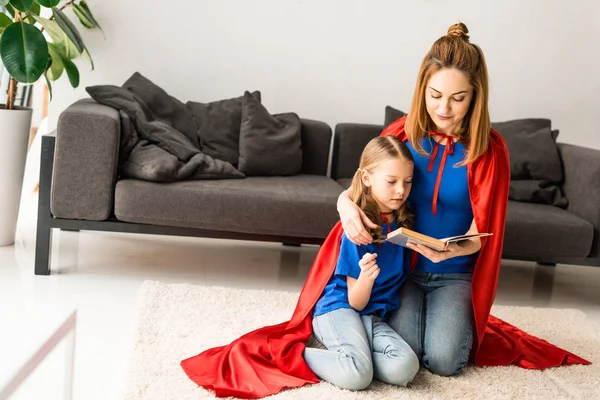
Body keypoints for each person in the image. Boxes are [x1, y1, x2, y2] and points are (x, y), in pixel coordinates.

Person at [180, 23, 590, 399]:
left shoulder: (490, 151)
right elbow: (364, 182)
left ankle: (363, 349)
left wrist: (451, 250)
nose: (443, 109)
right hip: (402, 273)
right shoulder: (402, 133)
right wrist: (343, 205)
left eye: (457, 98)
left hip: (454, 273)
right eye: (434, 96)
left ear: (476, 97)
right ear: (421, 89)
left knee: (445, 362)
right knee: (405, 355)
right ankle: (346, 354)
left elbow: (484, 233)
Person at [303, 136, 420, 390]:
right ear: (367, 178)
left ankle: (356, 357)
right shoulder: (357, 229)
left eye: (407, 182)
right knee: (357, 377)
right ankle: (298, 354)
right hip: (340, 308)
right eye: (391, 182)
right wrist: (367, 277)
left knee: (407, 367)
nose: (401, 190)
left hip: (371, 316)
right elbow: (355, 300)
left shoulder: (401, 220)